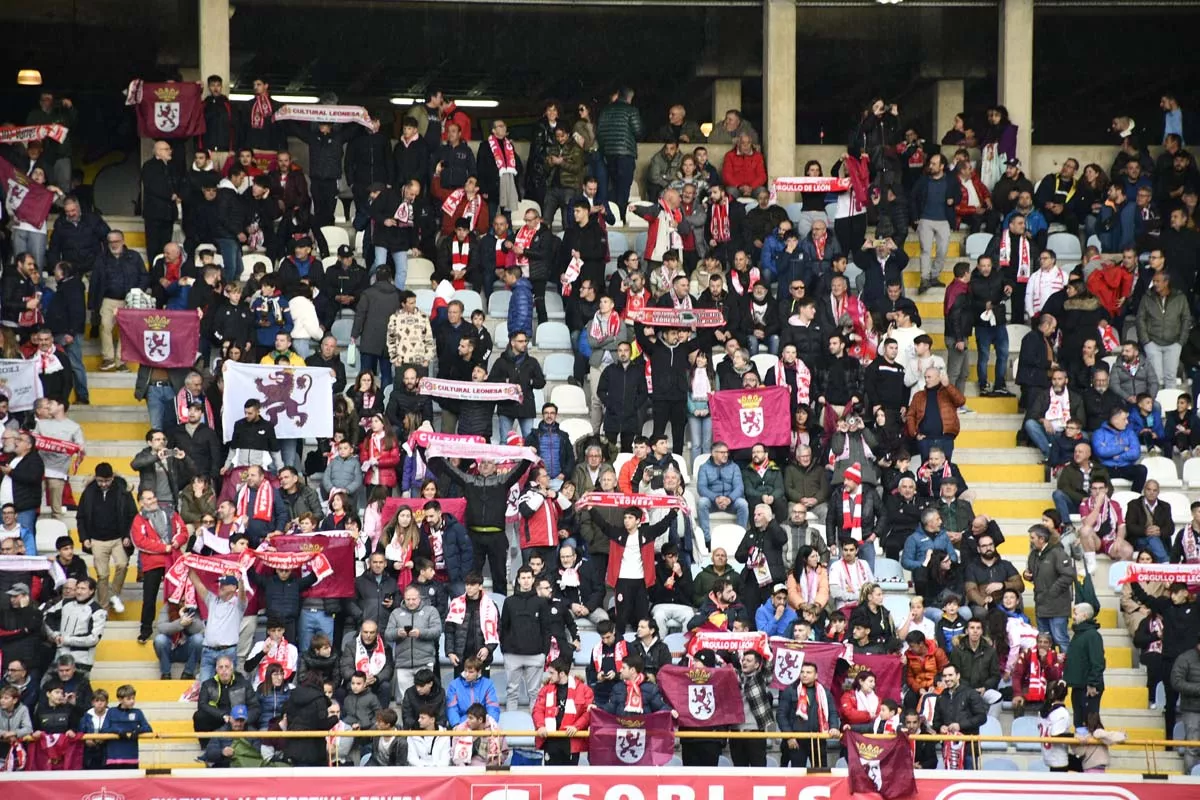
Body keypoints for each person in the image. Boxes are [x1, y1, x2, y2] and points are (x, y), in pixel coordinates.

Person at [1023, 524, 1075, 652]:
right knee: (1044, 641)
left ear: (1042, 539)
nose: (1030, 540)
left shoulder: (1058, 553)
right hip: (1041, 605)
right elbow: (1033, 573)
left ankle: (1067, 670)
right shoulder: (1034, 555)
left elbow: (1069, 575)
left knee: (1060, 638)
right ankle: (1048, 671)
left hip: (1057, 607)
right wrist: (1027, 576)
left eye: (1032, 537)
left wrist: (1052, 591)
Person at [777, 662, 840, 768]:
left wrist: (834, 727)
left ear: (816, 675)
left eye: (808, 672)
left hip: (818, 739)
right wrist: (789, 736)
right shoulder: (790, 690)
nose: (804, 675)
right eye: (802, 672)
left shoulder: (824, 692)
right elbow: (781, 715)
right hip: (796, 741)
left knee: (821, 775)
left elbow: (833, 712)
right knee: (797, 776)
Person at [533, 657, 593, 766]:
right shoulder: (545, 690)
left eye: (552, 673)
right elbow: (537, 710)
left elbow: (588, 713)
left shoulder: (583, 690)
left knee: (570, 778)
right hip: (551, 738)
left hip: (571, 740)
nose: (549, 676)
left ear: (561, 674)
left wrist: (577, 726)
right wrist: (540, 725)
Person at [932, 664, 988, 769]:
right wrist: (940, 727)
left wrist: (960, 725)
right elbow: (936, 722)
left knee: (970, 783)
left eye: (950, 675)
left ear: (958, 676)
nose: (947, 679)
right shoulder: (941, 697)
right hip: (949, 750)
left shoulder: (971, 693)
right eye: (945, 676)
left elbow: (982, 717)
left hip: (969, 749)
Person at [1064, 602, 1106, 728]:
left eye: (1075, 613)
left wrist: (1093, 684)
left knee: (1089, 724)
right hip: (1078, 686)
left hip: (1088, 689)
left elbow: (1098, 662)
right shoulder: (1079, 634)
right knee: (1079, 723)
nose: (1073, 617)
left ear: (1085, 615)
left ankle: (1092, 748)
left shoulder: (1092, 635)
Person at [1173, 641, 1200, 775]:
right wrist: (1197, 689)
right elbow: (1176, 682)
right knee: (1192, 746)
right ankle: (1190, 778)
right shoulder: (1185, 658)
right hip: (1191, 710)